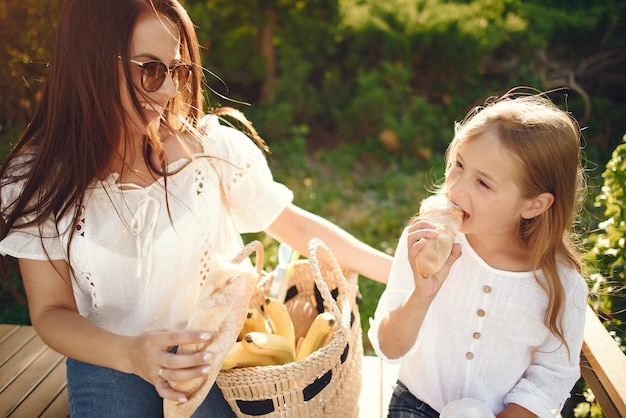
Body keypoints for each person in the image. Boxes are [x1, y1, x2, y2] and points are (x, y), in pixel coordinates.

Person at [0, 0, 392, 416]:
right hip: (107, 352)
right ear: (89, 62)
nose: (169, 90)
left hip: (214, 349)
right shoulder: (37, 177)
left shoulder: (208, 149)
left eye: (177, 70)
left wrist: (398, 270)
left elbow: (294, 227)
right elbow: (50, 312)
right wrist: (131, 354)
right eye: (150, 69)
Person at [368, 92, 588, 418]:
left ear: (534, 205)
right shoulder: (426, 241)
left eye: (483, 183)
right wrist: (422, 294)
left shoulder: (561, 284)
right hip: (416, 404)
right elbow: (389, 347)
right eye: (458, 165)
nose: (455, 189)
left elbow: (552, 375)